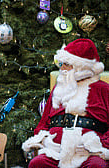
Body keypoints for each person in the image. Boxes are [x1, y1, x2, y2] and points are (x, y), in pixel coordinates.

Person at [22, 38, 109, 168]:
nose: (61, 68)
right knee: (37, 163)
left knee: (97, 166)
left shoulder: (103, 89)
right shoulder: (59, 88)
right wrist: (45, 140)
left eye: (66, 64)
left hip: (89, 154)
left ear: (81, 67)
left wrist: (96, 145)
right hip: (55, 152)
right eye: (61, 63)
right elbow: (43, 123)